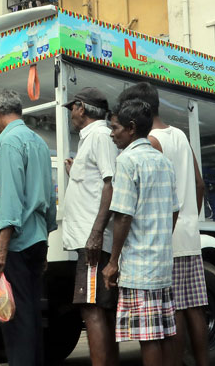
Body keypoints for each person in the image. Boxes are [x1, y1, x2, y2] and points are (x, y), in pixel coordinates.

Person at [118, 82, 209, 366]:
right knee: (194, 306)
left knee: (174, 311)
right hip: (189, 234)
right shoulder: (179, 134)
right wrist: (190, 218)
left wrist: (171, 224)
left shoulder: (152, 141)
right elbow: (199, 183)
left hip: (164, 236)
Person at [0, 89, 58, 366]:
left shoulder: (9, 143)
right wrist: (46, 243)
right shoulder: (37, 141)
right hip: (35, 238)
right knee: (29, 315)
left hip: (15, 243)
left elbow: (11, 199)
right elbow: (49, 197)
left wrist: (0, 248)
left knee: (15, 321)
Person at [102, 99, 180, 366]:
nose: (112, 134)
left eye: (115, 128)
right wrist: (160, 239)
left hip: (138, 266)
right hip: (160, 262)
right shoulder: (163, 162)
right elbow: (174, 211)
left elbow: (123, 215)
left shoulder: (126, 160)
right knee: (164, 332)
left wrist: (112, 262)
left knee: (148, 337)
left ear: (131, 128)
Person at [62, 87, 120, 366]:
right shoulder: (93, 138)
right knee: (101, 309)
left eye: (72, 107)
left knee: (92, 309)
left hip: (92, 239)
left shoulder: (98, 136)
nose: (71, 113)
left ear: (81, 108)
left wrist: (96, 233)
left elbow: (111, 183)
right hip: (90, 238)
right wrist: (76, 175)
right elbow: (98, 183)